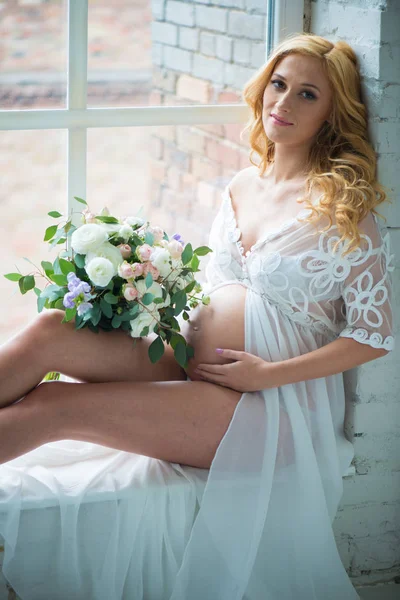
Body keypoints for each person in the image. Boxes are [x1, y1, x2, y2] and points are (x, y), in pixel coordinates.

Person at [0, 32, 395, 600]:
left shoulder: (343, 210)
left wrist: (265, 376)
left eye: (308, 94)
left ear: (334, 113)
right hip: (192, 362)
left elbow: (373, 335)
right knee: (50, 331)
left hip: (265, 409)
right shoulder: (243, 183)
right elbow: (217, 286)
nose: (283, 103)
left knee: (53, 406)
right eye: (279, 85)